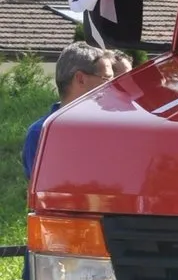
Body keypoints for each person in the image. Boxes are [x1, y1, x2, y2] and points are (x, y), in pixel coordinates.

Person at [21, 42, 117, 182]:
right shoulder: (41, 134)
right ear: (80, 79)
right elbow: (46, 191)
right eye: (107, 79)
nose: (113, 86)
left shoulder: (115, 129)